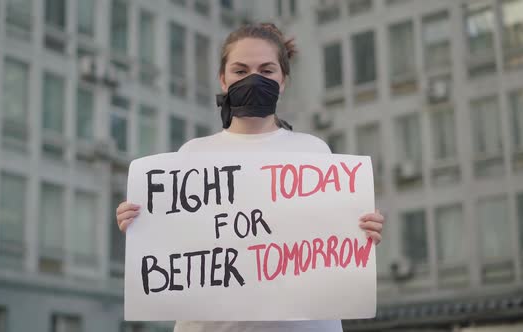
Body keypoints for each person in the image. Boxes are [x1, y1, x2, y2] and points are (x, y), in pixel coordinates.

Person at [116, 23, 385, 332]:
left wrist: (362, 229)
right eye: (240, 71)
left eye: (267, 70)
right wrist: (141, 225)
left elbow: (328, 245)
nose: (253, 79)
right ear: (223, 78)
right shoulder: (192, 156)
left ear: (283, 81)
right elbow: (177, 243)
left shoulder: (314, 153)